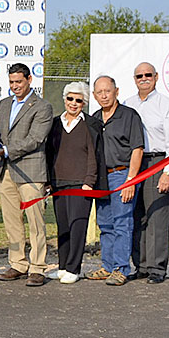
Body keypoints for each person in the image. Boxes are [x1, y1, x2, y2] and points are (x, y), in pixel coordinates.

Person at [0, 63, 53, 287]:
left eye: (19, 81)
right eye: (11, 82)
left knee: (36, 222)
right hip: (7, 170)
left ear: (29, 80)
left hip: (31, 172)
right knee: (11, 221)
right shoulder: (4, 104)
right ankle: (17, 264)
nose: (15, 86)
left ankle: (37, 267)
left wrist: (6, 150)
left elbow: (36, 139)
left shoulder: (43, 107)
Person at [123, 62, 169, 284]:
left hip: (158, 161)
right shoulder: (127, 104)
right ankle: (141, 265)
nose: (144, 78)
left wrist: (168, 172)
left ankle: (157, 267)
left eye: (148, 74)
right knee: (137, 216)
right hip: (133, 163)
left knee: (157, 217)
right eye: (139, 75)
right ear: (134, 78)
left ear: (156, 77)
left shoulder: (166, 105)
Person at [44, 82, 105, 284]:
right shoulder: (54, 124)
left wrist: (90, 180)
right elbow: (49, 154)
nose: (73, 103)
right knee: (63, 226)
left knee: (77, 225)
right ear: (64, 99)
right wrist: (49, 181)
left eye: (79, 100)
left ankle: (74, 268)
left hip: (81, 184)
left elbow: (93, 156)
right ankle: (62, 266)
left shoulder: (90, 125)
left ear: (84, 103)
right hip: (59, 182)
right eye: (70, 98)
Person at [89, 75, 145, 286]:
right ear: (94, 95)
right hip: (101, 178)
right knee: (105, 224)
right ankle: (108, 266)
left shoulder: (129, 116)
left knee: (122, 223)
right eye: (100, 92)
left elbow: (137, 149)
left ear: (116, 91)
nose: (104, 96)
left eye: (108, 91)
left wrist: (130, 180)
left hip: (122, 175)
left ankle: (121, 269)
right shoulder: (94, 118)